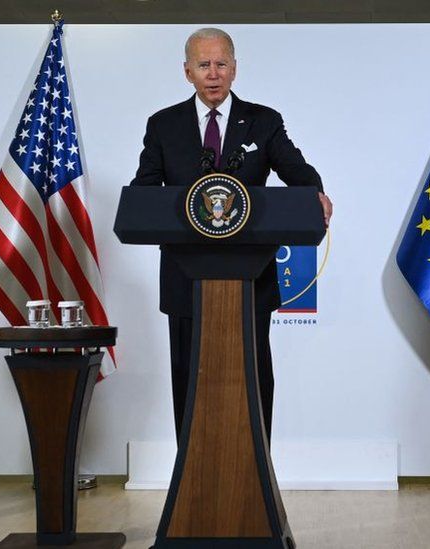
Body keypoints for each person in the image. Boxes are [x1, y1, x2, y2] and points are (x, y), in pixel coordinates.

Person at [130, 28, 333, 442]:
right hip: (186, 280)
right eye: (203, 65)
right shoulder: (163, 125)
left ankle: (256, 478)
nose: (213, 73)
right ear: (187, 71)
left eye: (221, 64)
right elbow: (145, 189)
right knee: (189, 378)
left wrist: (316, 192)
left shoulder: (263, 121)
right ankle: (190, 478)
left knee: (253, 380)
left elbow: (297, 171)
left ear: (235, 69)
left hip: (251, 280)